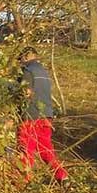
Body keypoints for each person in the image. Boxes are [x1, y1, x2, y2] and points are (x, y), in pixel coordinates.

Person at [16, 46, 68, 184]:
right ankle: (62, 176)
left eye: (20, 58)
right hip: (46, 116)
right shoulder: (44, 72)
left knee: (26, 149)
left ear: (26, 57)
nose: (20, 62)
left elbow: (25, 92)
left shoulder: (28, 71)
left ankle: (23, 182)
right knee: (46, 149)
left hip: (31, 116)